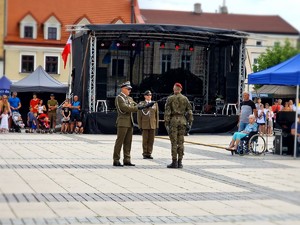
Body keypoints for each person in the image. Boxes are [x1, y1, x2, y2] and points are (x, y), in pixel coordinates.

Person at [113, 81, 154, 167]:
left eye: (130, 89)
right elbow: (124, 108)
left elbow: (137, 105)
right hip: (122, 122)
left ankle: (127, 159)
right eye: (128, 89)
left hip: (129, 122)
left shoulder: (129, 98)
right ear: (123, 89)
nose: (129, 91)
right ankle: (116, 160)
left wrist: (146, 104)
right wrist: (138, 107)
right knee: (119, 142)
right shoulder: (119, 98)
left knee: (128, 142)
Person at [164, 82, 194, 169]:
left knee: (174, 142)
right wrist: (190, 122)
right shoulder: (185, 99)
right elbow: (189, 111)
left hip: (174, 121)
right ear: (181, 89)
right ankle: (180, 162)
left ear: (174, 89)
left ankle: (174, 162)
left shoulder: (170, 99)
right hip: (182, 120)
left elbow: (167, 112)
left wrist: (166, 123)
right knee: (181, 142)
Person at [137, 90, 159, 159]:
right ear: (145, 96)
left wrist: (156, 125)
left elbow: (156, 115)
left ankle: (149, 153)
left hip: (152, 124)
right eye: (147, 95)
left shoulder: (154, 104)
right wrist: (140, 126)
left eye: (150, 95)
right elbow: (139, 116)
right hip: (145, 124)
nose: (149, 96)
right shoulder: (141, 104)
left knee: (151, 140)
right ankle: (145, 153)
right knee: (145, 140)